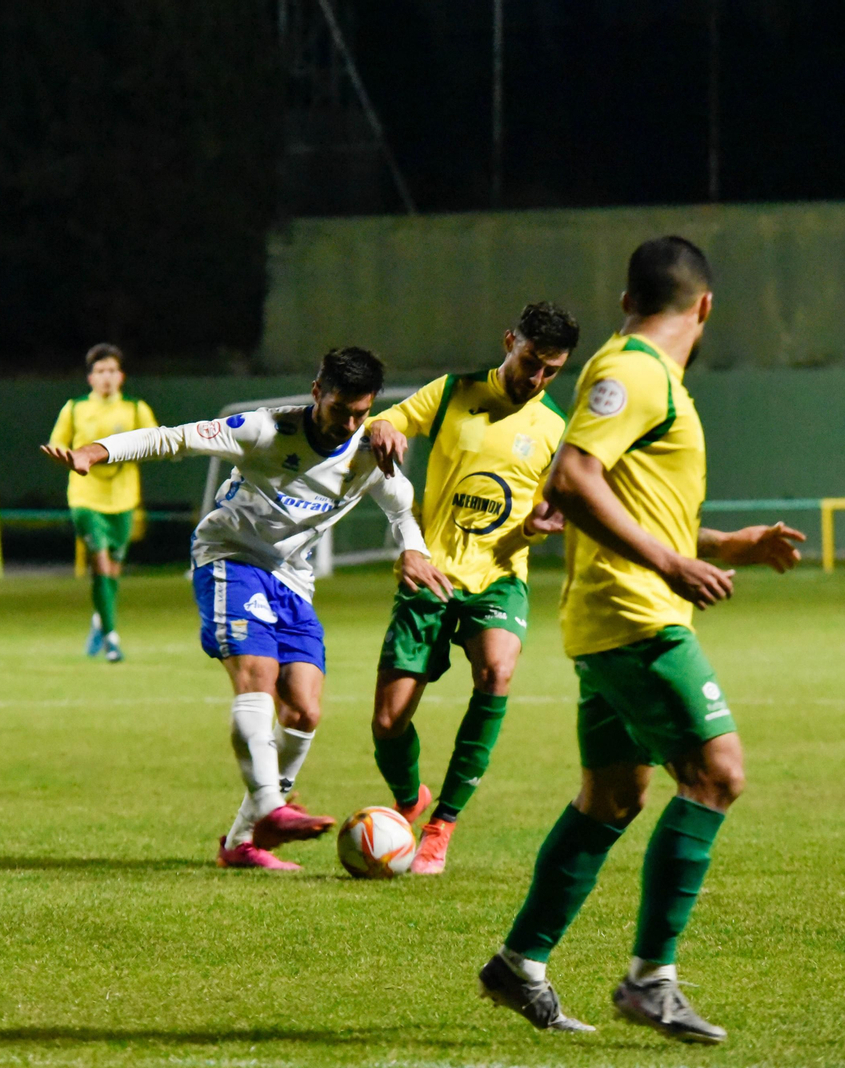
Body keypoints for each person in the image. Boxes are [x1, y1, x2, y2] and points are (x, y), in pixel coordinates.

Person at [476, 237, 804, 1043]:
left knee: (613, 797)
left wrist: (728, 547)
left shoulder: (647, 378)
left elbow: (635, 499)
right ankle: (650, 981)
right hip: (634, 615)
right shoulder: (636, 374)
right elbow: (573, 479)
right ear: (705, 306)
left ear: (627, 302)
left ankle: (519, 964)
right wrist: (669, 563)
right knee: (716, 773)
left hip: (612, 616)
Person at [42, 347, 452, 870]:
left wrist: (412, 549)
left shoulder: (371, 449)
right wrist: (95, 452)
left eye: (359, 413)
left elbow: (401, 509)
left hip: (293, 580)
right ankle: (270, 807)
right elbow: (173, 438)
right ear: (315, 393)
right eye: (338, 410)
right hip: (230, 558)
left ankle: (241, 842)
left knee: (304, 709)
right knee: (258, 673)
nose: (347, 424)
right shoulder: (264, 429)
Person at [364, 301, 577, 875]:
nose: (536, 379)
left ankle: (443, 824)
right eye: (531, 361)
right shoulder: (454, 392)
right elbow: (386, 424)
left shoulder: (555, 428)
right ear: (510, 340)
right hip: (430, 577)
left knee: (497, 673)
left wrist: (538, 527)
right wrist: (383, 426)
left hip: (500, 577)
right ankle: (410, 800)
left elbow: (555, 508)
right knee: (388, 723)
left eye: (550, 371)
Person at [48, 343, 159, 661]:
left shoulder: (135, 409)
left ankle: (100, 619)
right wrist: (72, 457)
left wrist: (129, 452)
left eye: (112, 371)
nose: (107, 377)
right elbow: (58, 444)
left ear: (121, 376)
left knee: (112, 569)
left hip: (123, 498)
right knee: (100, 564)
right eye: (100, 372)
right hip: (86, 497)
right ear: (90, 378)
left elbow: (156, 442)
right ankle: (112, 638)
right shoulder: (75, 408)